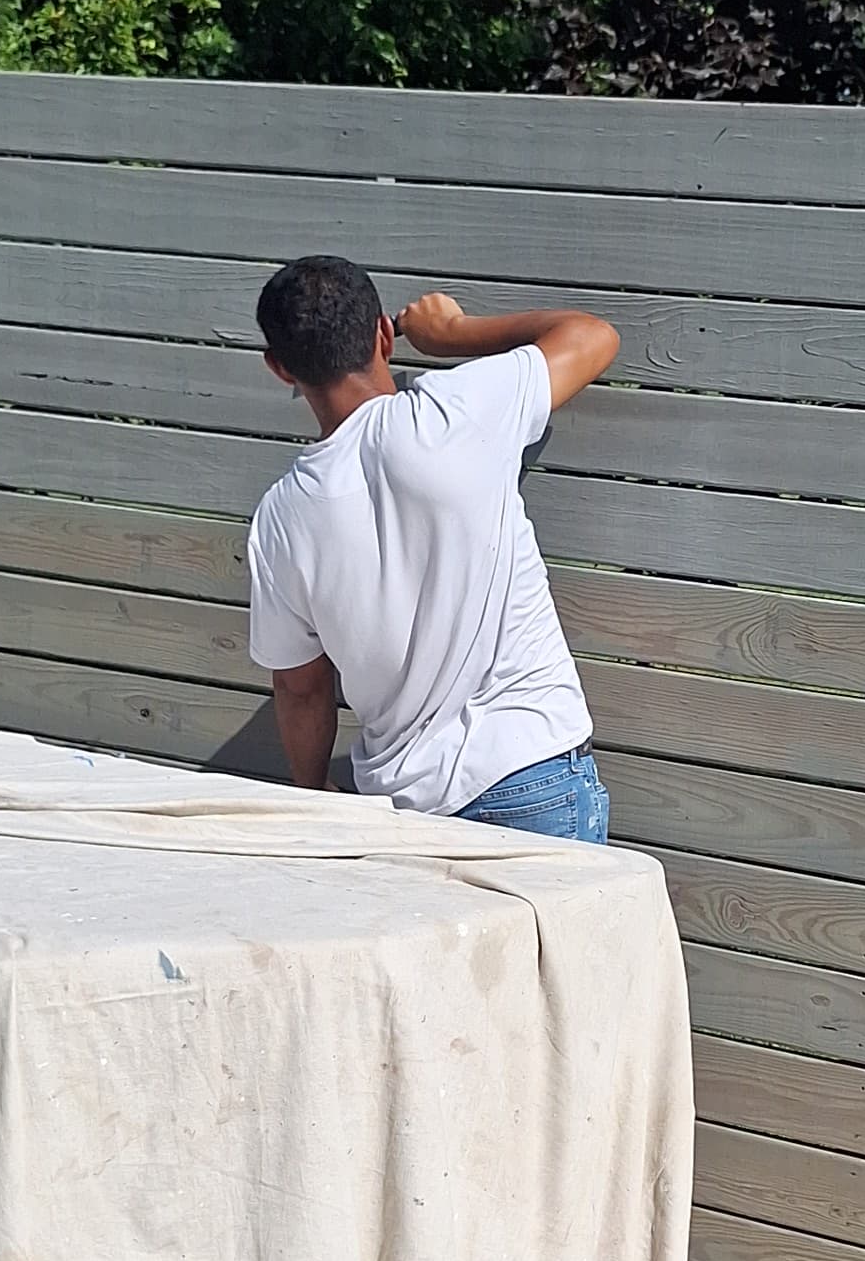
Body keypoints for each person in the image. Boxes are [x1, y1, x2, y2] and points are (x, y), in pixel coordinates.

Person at [246, 251, 620, 840]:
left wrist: (314, 788)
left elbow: (300, 687)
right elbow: (592, 336)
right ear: (383, 336)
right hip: (531, 775)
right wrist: (453, 333)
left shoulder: (279, 519)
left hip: (402, 812)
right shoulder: (457, 411)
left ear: (279, 367)